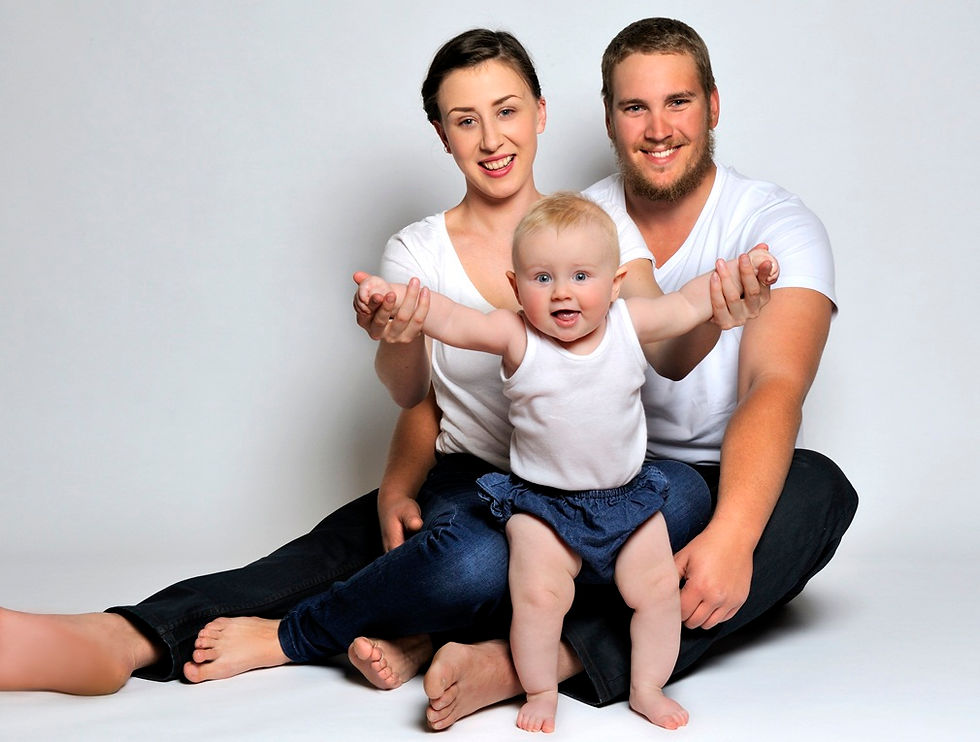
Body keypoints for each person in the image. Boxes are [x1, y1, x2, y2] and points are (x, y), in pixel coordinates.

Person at [0, 28, 764, 701]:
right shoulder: (418, 250)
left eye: (505, 111)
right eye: (466, 120)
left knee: (691, 502)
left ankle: (423, 637)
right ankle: (137, 637)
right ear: (442, 134)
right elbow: (411, 395)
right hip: (481, 489)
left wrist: (717, 305)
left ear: (539, 113)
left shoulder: (593, 227)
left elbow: (655, 334)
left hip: (595, 488)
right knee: (460, 560)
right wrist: (396, 344)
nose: (492, 138)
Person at [417, 18, 858, 730]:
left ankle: (538, 664)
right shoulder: (585, 221)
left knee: (820, 491)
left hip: (717, 478)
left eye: (677, 102)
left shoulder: (776, 221)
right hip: (602, 471)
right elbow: (641, 350)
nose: (657, 128)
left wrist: (735, 536)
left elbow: (774, 386)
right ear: (608, 118)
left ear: (713, 106)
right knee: (474, 529)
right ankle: (410, 626)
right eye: (634, 107)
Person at [354, 193, 777, 732]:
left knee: (655, 594)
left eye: (581, 276)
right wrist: (392, 296)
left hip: (625, 500)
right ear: (515, 288)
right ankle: (539, 690)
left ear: (616, 283)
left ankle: (646, 687)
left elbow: (692, 303)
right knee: (537, 599)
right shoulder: (515, 334)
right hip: (543, 505)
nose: (562, 293)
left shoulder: (630, 321)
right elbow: (452, 318)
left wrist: (746, 271)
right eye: (542, 278)